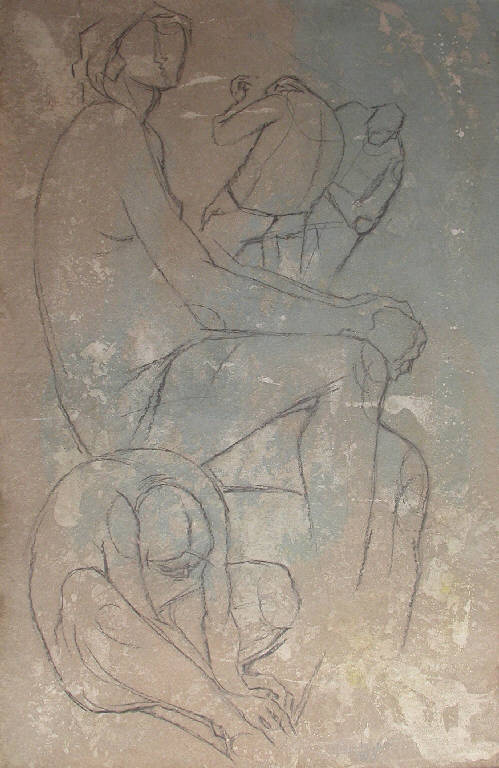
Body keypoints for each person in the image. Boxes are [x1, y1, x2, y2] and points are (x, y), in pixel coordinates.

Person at [33, 1, 425, 745]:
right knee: (348, 365)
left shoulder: (135, 136)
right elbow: (207, 289)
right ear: (110, 44)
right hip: (135, 400)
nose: (170, 42)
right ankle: (334, 628)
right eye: (150, 28)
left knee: (396, 463)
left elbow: (209, 273)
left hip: (177, 380)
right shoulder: (105, 130)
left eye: (177, 30)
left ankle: (370, 661)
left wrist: (349, 306)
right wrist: (353, 322)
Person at [30, 449, 299, 757]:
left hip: (166, 615)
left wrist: (235, 685)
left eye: (193, 561)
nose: (185, 572)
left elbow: (218, 614)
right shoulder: (115, 512)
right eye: (171, 566)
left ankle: (192, 695)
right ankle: (219, 716)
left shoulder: (204, 495)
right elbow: (147, 626)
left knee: (273, 588)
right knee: (88, 593)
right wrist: (228, 705)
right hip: (97, 653)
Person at [201, 74, 344, 268]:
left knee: (205, 253)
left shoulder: (281, 102)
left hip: (257, 207)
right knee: (277, 272)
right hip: (298, 215)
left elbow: (223, 134)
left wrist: (241, 102)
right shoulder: (330, 117)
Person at [300, 101, 406, 287]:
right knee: (296, 257)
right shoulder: (352, 117)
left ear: (394, 133)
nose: (374, 134)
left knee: (319, 275)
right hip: (319, 205)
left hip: (345, 222)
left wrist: (334, 191)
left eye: (383, 132)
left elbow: (372, 208)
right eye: (372, 127)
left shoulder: (394, 159)